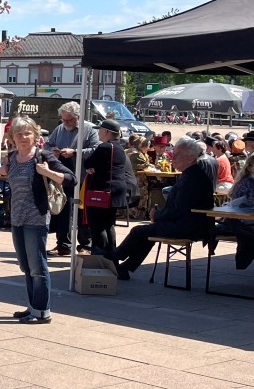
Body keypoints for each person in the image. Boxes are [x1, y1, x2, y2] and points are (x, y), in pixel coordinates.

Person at [0, 116, 72, 323]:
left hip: (36, 218)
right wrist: (3, 171)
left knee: (38, 267)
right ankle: (33, 306)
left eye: (27, 133)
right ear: (12, 137)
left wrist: (48, 172)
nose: (23, 137)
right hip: (17, 218)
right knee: (25, 266)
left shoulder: (43, 156)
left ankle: (42, 312)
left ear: (35, 135)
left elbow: (71, 179)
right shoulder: (12, 157)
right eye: (19, 133)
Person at [116, 137, 215, 281]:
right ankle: (124, 267)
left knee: (138, 231)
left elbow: (180, 209)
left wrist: (158, 214)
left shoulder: (193, 177)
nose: (172, 159)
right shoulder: (191, 173)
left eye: (177, 156)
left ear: (191, 158)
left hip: (189, 226)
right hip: (189, 223)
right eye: (173, 154)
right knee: (147, 232)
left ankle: (113, 259)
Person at [82, 118, 137, 266]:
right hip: (116, 191)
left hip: (102, 191)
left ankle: (101, 257)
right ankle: (113, 258)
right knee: (109, 224)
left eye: (100, 130)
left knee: (97, 225)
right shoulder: (119, 148)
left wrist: (91, 166)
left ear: (106, 132)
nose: (98, 132)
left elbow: (88, 162)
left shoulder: (105, 147)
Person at [47, 102, 97, 256]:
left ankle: (85, 246)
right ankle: (63, 245)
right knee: (63, 211)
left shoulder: (89, 129)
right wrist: (52, 152)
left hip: (83, 177)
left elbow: (96, 150)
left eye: (69, 120)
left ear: (78, 117)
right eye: (63, 120)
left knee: (82, 213)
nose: (66, 123)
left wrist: (75, 152)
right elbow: (48, 145)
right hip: (63, 177)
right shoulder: (59, 129)